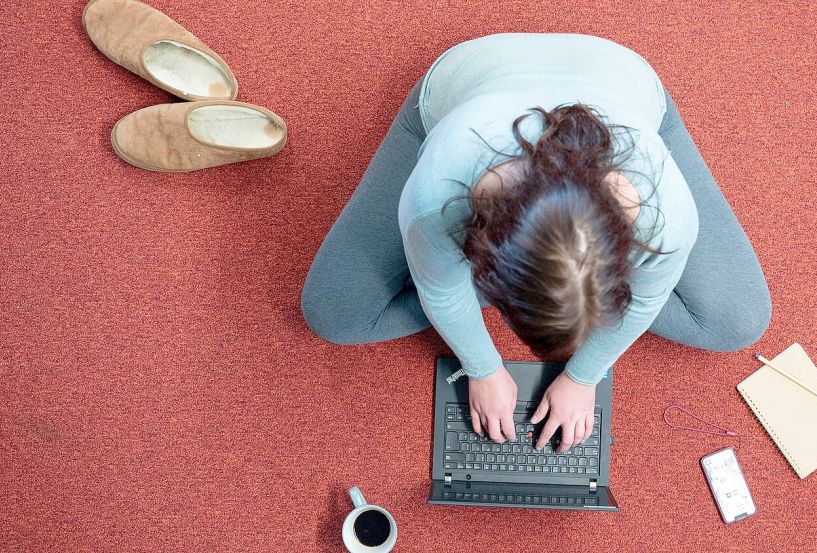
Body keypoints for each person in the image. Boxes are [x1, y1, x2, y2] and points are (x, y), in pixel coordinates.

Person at [302, 33, 771, 455]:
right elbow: (443, 291)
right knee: (335, 313)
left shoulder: (664, 211)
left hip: (622, 83)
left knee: (739, 322)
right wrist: (482, 368)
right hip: (462, 85)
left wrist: (584, 377)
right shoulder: (436, 197)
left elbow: (646, 297)